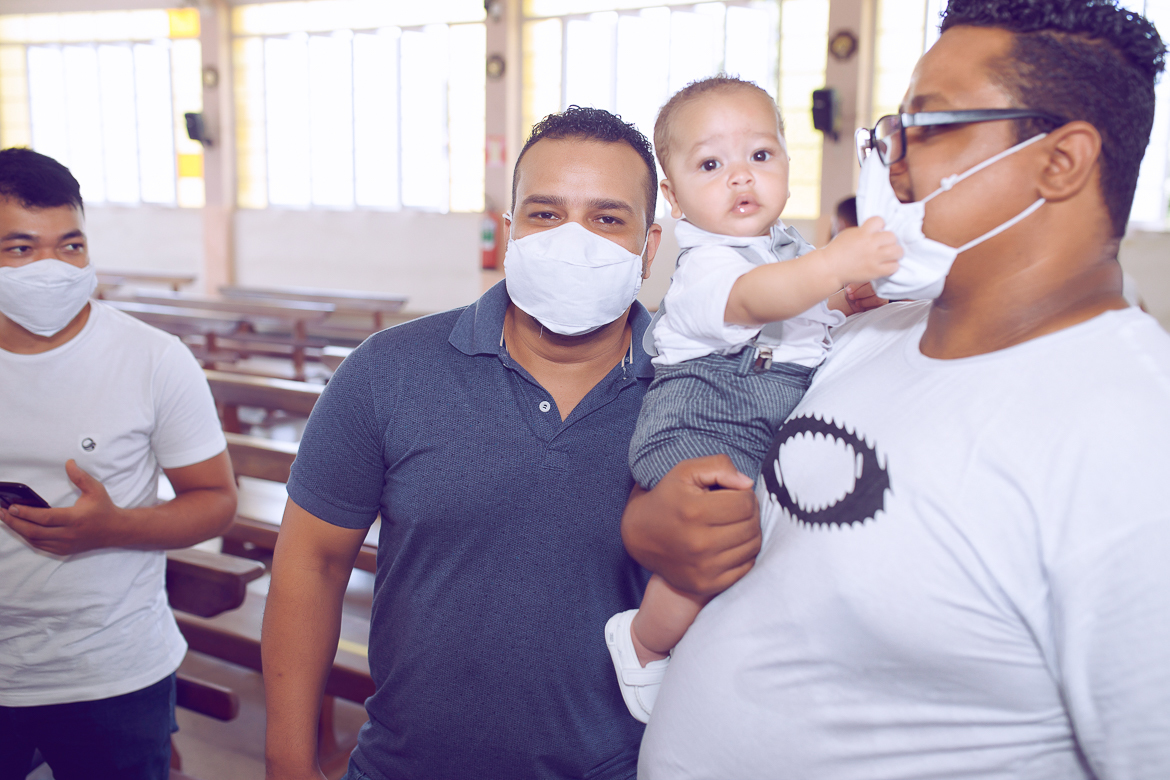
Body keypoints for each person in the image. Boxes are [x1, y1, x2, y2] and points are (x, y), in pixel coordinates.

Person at [622, 0, 1170, 777]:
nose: (894, 163)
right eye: (894, 129)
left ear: (1061, 162)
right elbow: (740, 473)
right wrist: (649, 523)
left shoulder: (1137, 442)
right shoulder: (868, 337)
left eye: (930, 126)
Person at [261, 107, 663, 780]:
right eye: (545, 213)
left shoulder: (694, 398)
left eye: (606, 218)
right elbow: (313, 562)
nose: (573, 240)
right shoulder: (388, 371)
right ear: (510, 231)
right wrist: (288, 761)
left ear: (648, 247)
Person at [605, 77, 899, 721]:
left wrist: (845, 300)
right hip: (700, 422)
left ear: (788, 164)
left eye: (760, 156)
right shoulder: (709, 263)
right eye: (711, 165)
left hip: (762, 423)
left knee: (753, 543)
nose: (741, 177)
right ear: (674, 199)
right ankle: (644, 642)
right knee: (714, 541)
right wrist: (836, 266)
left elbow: (805, 308)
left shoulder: (788, 250)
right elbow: (756, 299)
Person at [0, 148, 237, 780]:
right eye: (21, 248)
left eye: (70, 246)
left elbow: (216, 500)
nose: (52, 268)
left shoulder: (153, 358)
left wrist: (114, 528)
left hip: (111, 670)